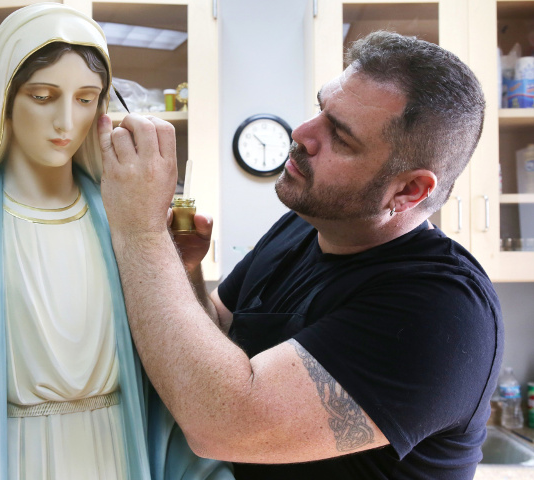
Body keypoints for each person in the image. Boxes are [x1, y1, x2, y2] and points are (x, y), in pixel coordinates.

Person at [98, 30, 503, 479]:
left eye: (342, 138)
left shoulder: (441, 311)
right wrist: (184, 267)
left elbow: (224, 423)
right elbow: (215, 337)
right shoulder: (307, 224)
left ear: (409, 190)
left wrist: (138, 229)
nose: (303, 133)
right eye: (320, 109)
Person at [0, 4, 231, 480]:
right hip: (7, 459)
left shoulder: (123, 219)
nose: (66, 122)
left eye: (86, 98)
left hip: (116, 453)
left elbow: (168, 380)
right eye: (44, 95)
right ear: (4, 98)